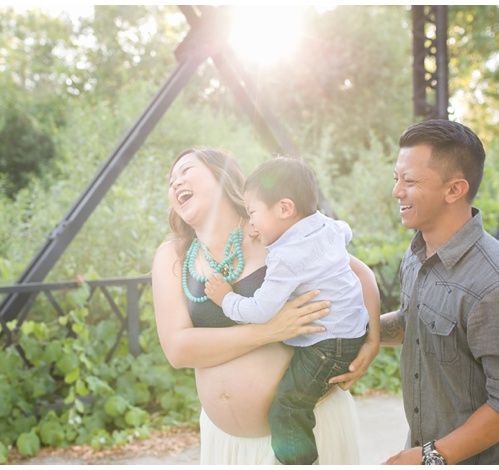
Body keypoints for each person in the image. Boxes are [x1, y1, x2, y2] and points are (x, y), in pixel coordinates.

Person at [151, 146, 381, 465]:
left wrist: (372, 339)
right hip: (226, 444)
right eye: (170, 180)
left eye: (186, 171)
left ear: (222, 175)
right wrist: (269, 331)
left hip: (309, 427)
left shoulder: (272, 229)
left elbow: (360, 273)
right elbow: (178, 349)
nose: (175, 182)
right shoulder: (172, 256)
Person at [379, 120, 499, 465]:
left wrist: (431, 457)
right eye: (396, 178)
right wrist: (350, 329)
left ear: (454, 190)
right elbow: (412, 323)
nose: (397, 191)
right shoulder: (416, 256)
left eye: (409, 181)